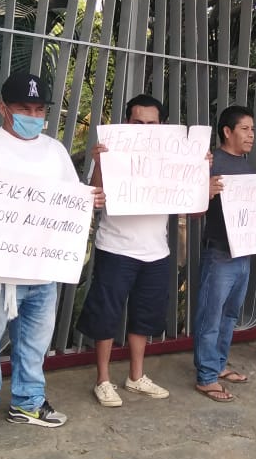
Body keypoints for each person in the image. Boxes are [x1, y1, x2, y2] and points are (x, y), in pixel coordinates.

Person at [0, 72, 104, 449]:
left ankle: (28, 402)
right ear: (4, 108)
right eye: (23, 108)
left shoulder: (54, 151)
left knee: (34, 343)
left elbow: (70, 201)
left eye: (38, 109)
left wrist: (88, 202)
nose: (32, 114)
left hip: (43, 269)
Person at [77, 95, 204, 407]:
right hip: (116, 247)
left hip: (156, 250)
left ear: (161, 126)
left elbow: (193, 204)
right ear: (126, 123)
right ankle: (103, 380)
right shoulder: (107, 152)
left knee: (145, 316)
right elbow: (95, 197)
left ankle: (136, 376)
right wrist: (101, 164)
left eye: (152, 123)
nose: (145, 129)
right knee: (106, 315)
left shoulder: (173, 156)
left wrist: (199, 167)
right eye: (138, 123)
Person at [192, 105, 256, 401]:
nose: (251, 135)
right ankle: (205, 376)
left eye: (253, 130)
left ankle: (217, 365)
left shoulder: (245, 164)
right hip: (219, 252)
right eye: (244, 129)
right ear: (227, 131)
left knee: (230, 315)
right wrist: (204, 189)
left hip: (243, 252)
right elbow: (192, 211)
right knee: (211, 315)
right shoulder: (210, 162)